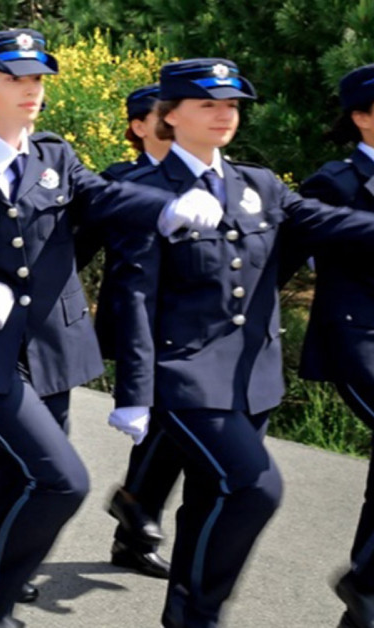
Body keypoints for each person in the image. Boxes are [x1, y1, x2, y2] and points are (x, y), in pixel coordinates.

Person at [0, 31, 226, 627]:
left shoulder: (56, 156)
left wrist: (163, 208)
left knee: (15, 467)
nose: (32, 90)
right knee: (55, 475)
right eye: (15, 79)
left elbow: (103, 197)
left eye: (37, 79)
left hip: (53, 340)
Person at [108, 57, 374, 628]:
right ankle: (202, 615)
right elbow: (130, 294)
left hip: (252, 378)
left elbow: (330, 223)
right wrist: (133, 390)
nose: (224, 114)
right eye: (208, 104)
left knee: (207, 504)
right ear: (170, 115)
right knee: (255, 487)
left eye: (231, 105)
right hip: (182, 377)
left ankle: (188, 617)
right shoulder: (145, 192)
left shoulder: (259, 185)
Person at [281, 63, 374, 628]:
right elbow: (281, 261)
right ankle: (365, 583)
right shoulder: (334, 183)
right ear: (362, 118)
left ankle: (364, 599)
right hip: (357, 338)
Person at [92, 83, 178, 581]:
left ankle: (132, 529)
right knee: (169, 420)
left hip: (191, 325)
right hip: (141, 322)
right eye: (157, 113)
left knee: (174, 425)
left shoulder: (209, 179)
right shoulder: (122, 181)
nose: (169, 118)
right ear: (138, 127)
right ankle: (134, 508)